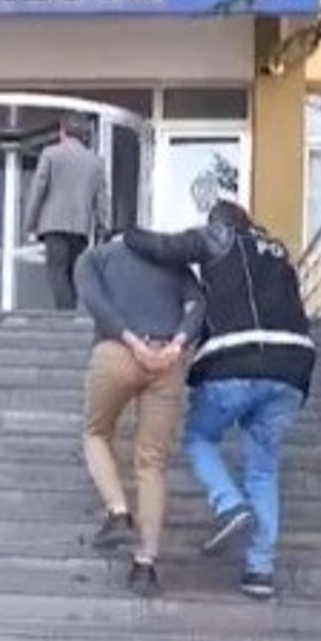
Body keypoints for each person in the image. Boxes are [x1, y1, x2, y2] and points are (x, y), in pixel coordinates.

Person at [124, 201, 316, 601]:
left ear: (219, 224)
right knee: (263, 471)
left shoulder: (221, 238)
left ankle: (230, 505)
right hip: (292, 369)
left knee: (199, 438)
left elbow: (164, 247)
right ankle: (260, 570)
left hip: (236, 361)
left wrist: (125, 234)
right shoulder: (279, 252)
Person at [74, 235, 206, 597]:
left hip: (116, 353)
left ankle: (118, 511)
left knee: (96, 433)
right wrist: (177, 345)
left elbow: (96, 303)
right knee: (152, 461)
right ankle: (145, 564)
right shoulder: (172, 261)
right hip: (167, 363)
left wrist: (132, 341)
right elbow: (198, 304)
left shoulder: (94, 258)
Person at [24, 114, 111, 310]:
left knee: (57, 272)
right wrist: (102, 226)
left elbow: (38, 189)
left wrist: (30, 223)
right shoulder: (96, 162)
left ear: (62, 132)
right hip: (81, 227)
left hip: (54, 225)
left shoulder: (50, 154)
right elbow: (102, 199)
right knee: (72, 274)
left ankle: (66, 316)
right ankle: (71, 312)